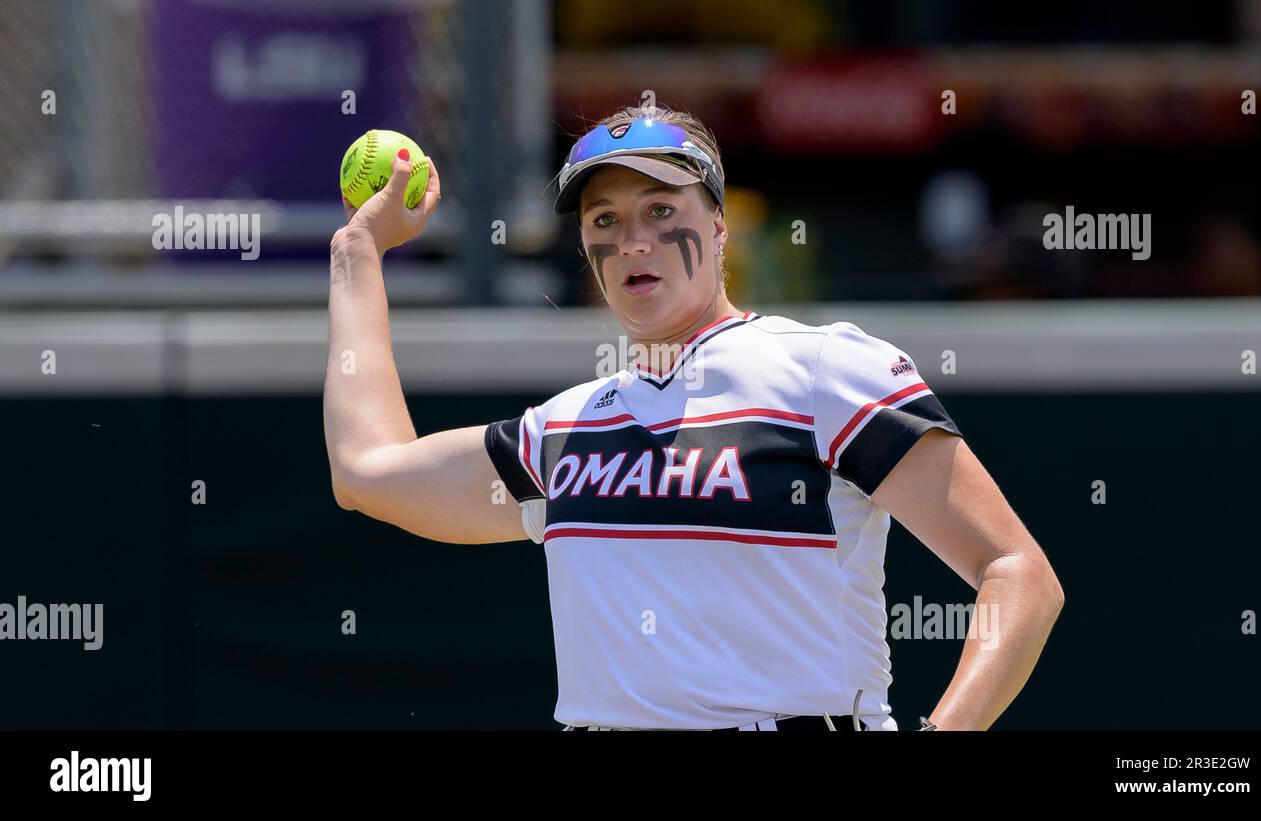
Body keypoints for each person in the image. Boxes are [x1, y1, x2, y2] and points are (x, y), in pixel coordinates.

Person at [324, 104, 1064, 732]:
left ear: (717, 227)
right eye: (604, 217)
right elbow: (366, 473)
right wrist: (357, 253)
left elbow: (1018, 572)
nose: (633, 241)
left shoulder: (823, 371)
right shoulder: (566, 427)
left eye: (661, 210)